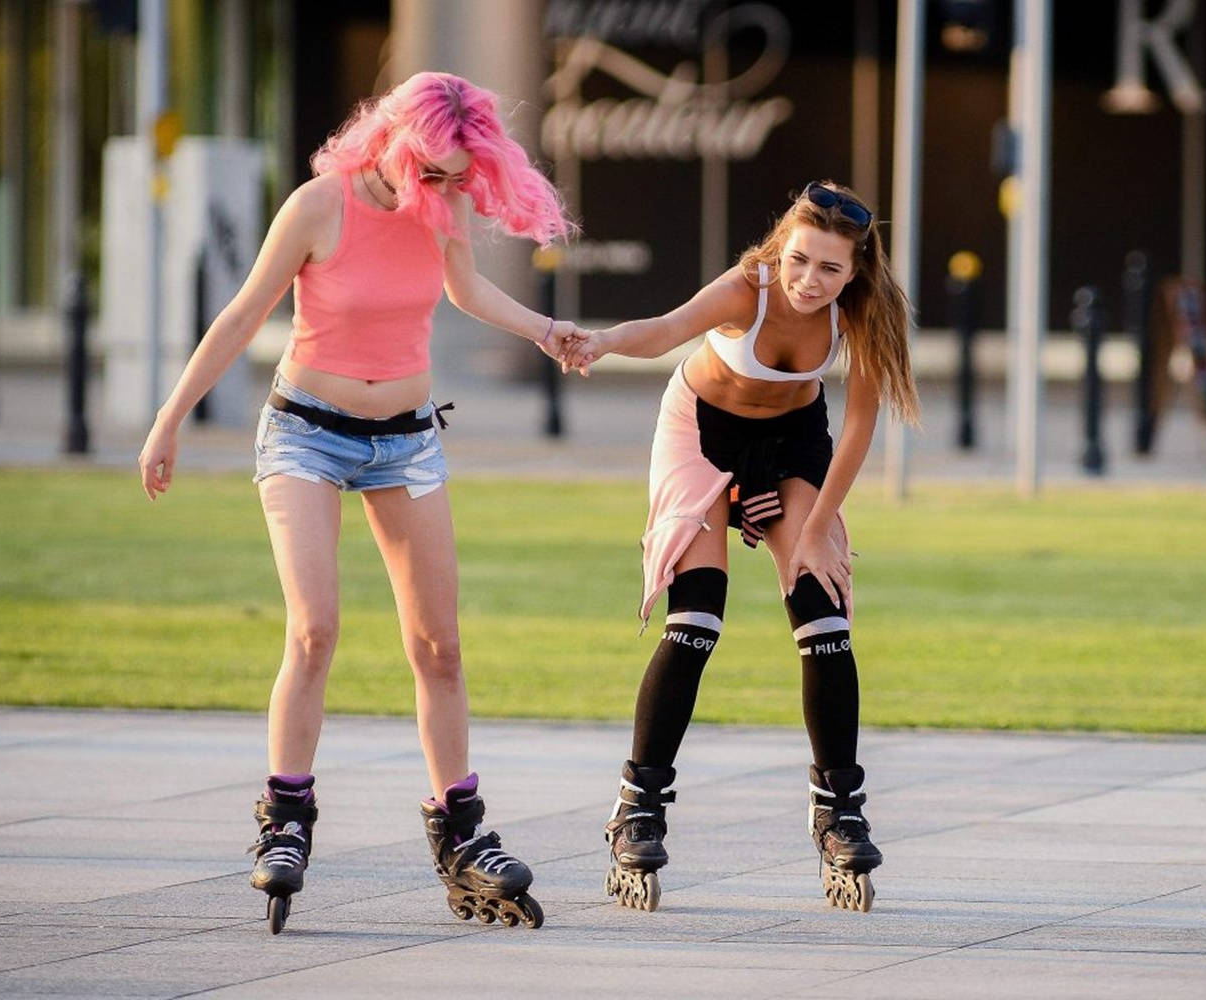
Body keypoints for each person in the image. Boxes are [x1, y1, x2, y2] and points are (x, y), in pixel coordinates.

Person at [137, 71, 576, 933]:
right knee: (315, 628)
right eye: (436, 172)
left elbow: (467, 292)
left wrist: (546, 331)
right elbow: (239, 315)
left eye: (461, 177)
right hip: (305, 431)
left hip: (406, 437)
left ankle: (461, 831)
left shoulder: (440, 208)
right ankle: (286, 820)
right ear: (394, 141)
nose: (448, 192)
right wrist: (169, 419)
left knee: (439, 646)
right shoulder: (318, 206)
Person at [561, 181, 921, 914]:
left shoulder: (861, 313)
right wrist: (599, 341)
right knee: (697, 621)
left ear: (855, 272)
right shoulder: (747, 288)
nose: (808, 280)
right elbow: (664, 330)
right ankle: (638, 806)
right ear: (780, 247)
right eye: (799, 260)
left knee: (824, 614)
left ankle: (840, 812)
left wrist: (818, 525)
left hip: (792, 442)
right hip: (701, 431)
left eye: (828, 269)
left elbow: (856, 430)